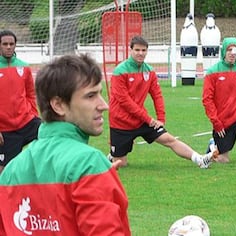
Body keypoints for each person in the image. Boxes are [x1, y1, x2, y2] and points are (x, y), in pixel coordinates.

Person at [0, 54, 131, 235]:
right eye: (91, 96)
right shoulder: (89, 164)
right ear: (59, 105)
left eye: (100, 94)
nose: (104, 105)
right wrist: (94, 174)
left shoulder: (10, 171)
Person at [108, 36, 216, 168]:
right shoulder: (120, 71)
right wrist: (148, 118)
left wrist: (161, 118)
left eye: (143, 50)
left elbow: (157, 95)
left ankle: (200, 160)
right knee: (121, 164)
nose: (140, 53)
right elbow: (125, 102)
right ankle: (111, 156)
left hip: (141, 120)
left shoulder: (149, 71)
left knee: (169, 139)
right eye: (137, 50)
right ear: (131, 50)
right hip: (121, 122)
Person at [0, 30, 41, 174]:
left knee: (50, 134)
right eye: (5, 44)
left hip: (26, 122)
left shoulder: (24, 67)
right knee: (5, 172)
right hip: (5, 130)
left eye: (12, 44)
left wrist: (34, 116)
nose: (9, 47)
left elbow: (30, 94)